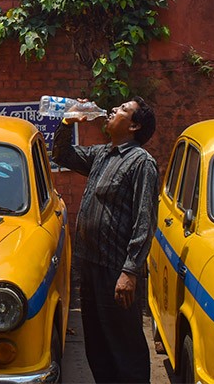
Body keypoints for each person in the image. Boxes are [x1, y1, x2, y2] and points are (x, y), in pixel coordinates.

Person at [52, 96, 158, 383]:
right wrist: (67, 121)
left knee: (126, 351)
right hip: (91, 269)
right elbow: (61, 155)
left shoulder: (141, 163)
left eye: (123, 109)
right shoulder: (102, 155)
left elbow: (144, 219)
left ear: (134, 125)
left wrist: (130, 271)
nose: (113, 110)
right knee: (97, 349)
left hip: (116, 272)